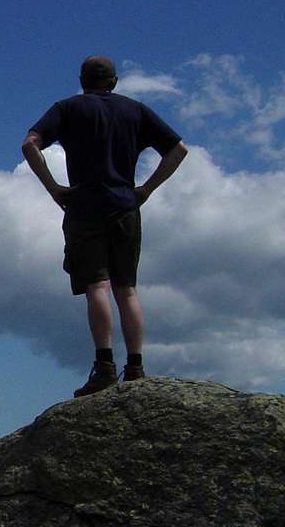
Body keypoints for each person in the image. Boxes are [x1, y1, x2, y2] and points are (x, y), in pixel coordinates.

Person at [22, 55, 188, 397]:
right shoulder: (135, 110)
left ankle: (105, 366)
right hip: (126, 204)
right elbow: (178, 150)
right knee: (126, 289)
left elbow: (30, 144)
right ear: (114, 82)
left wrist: (53, 188)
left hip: (84, 205)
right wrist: (146, 189)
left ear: (82, 80)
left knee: (97, 285)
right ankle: (136, 367)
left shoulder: (68, 109)